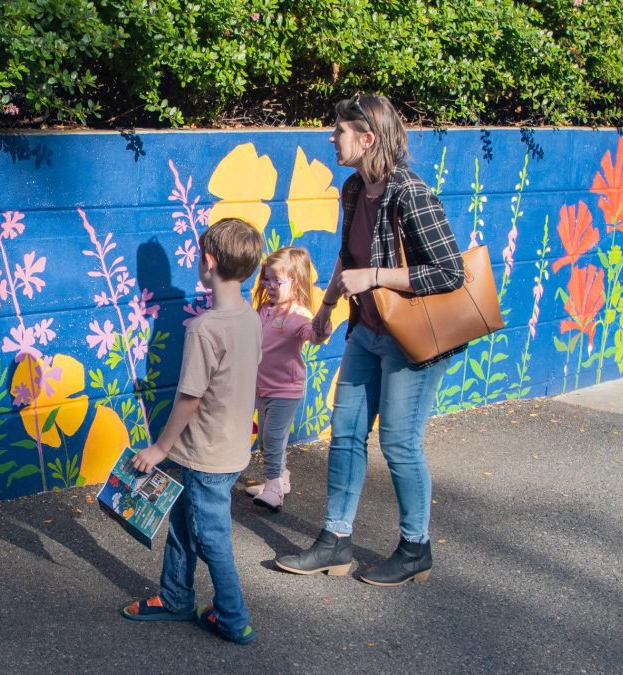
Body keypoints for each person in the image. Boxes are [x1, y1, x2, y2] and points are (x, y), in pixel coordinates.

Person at [274, 94, 465, 586]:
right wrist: (326, 308)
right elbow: (346, 258)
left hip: (411, 340)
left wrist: (376, 277)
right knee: (346, 435)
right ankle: (334, 542)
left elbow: (450, 271)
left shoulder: (411, 193)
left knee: (399, 443)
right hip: (365, 332)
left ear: (367, 137)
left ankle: (415, 548)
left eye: (338, 130)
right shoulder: (354, 189)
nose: (330, 138)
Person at [120, 217, 264, 645]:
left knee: (210, 536)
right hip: (230, 448)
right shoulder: (249, 318)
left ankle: (233, 616)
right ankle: (176, 596)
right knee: (185, 523)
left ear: (206, 262)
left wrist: (160, 448)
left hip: (205, 454)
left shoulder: (204, 328)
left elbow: (190, 397)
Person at [244, 246, 323, 511]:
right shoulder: (265, 309)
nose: (269, 285)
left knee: (274, 437)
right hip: (262, 387)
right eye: (266, 279)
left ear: (296, 282)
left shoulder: (298, 314)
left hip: (285, 391)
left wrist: (322, 329)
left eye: (277, 281)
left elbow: (313, 335)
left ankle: (274, 488)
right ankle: (279, 479)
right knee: (266, 439)